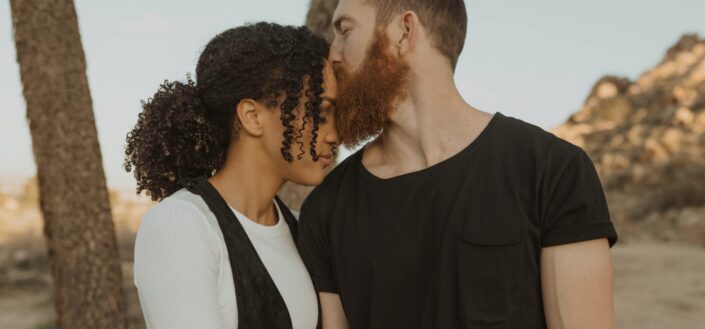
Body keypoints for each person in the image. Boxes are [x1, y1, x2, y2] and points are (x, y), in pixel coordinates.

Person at [296, 1, 618, 328]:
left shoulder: (552, 171)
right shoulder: (326, 209)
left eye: (345, 32)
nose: (333, 54)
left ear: (404, 32)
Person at [125, 22, 338, 329]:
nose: (333, 134)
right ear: (252, 117)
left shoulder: (301, 229)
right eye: (320, 114)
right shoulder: (182, 224)